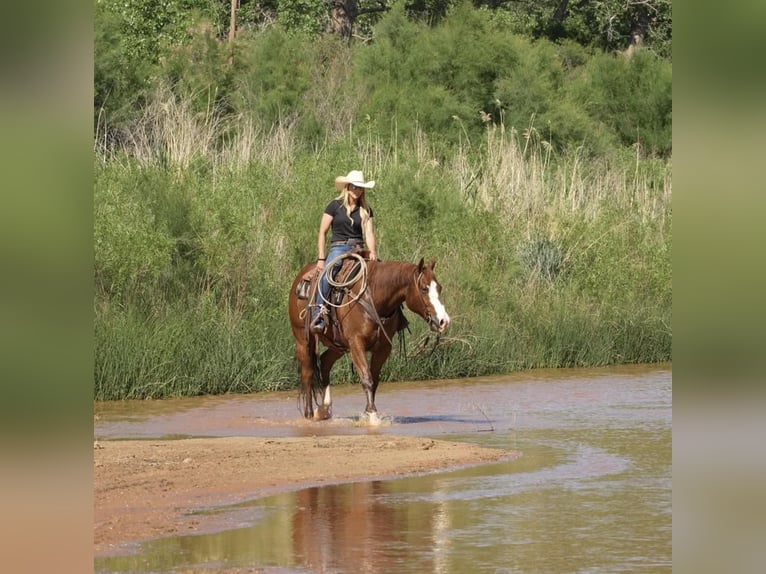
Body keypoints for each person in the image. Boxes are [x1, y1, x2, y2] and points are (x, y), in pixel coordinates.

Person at [310, 170, 378, 333]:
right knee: (329, 272)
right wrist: (321, 258)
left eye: (360, 188)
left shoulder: (366, 210)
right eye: (355, 187)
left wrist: (373, 251)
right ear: (348, 186)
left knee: (381, 274)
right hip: (339, 247)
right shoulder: (334, 206)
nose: (357, 190)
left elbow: (369, 233)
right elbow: (322, 232)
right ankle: (318, 313)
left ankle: (391, 317)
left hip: (359, 249)